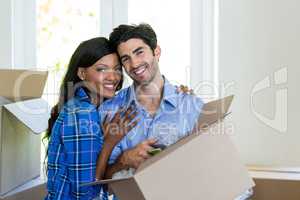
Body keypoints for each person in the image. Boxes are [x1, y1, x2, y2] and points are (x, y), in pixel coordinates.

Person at [96, 23, 204, 181]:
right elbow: (98, 183)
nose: (134, 64)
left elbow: (210, 165)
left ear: (156, 52)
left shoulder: (192, 106)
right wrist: (123, 161)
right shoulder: (109, 111)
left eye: (139, 52)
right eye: (126, 59)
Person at [44, 37, 139, 200]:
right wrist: (109, 143)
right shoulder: (82, 114)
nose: (113, 77)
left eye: (116, 69)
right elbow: (85, 193)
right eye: (102, 69)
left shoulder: (98, 109)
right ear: (82, 73)